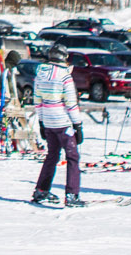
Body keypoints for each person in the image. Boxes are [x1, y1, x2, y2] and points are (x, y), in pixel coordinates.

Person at [31, 47, 87, 206]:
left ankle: (41, 190)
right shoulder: (64, 76)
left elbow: (37, 101)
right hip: (63, 122)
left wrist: (41, 122)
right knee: (72, 156)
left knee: (52, 155)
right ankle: (72, 194)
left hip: (48, 121)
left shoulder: (40, 74)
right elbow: (71, 103)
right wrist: (78, 125)